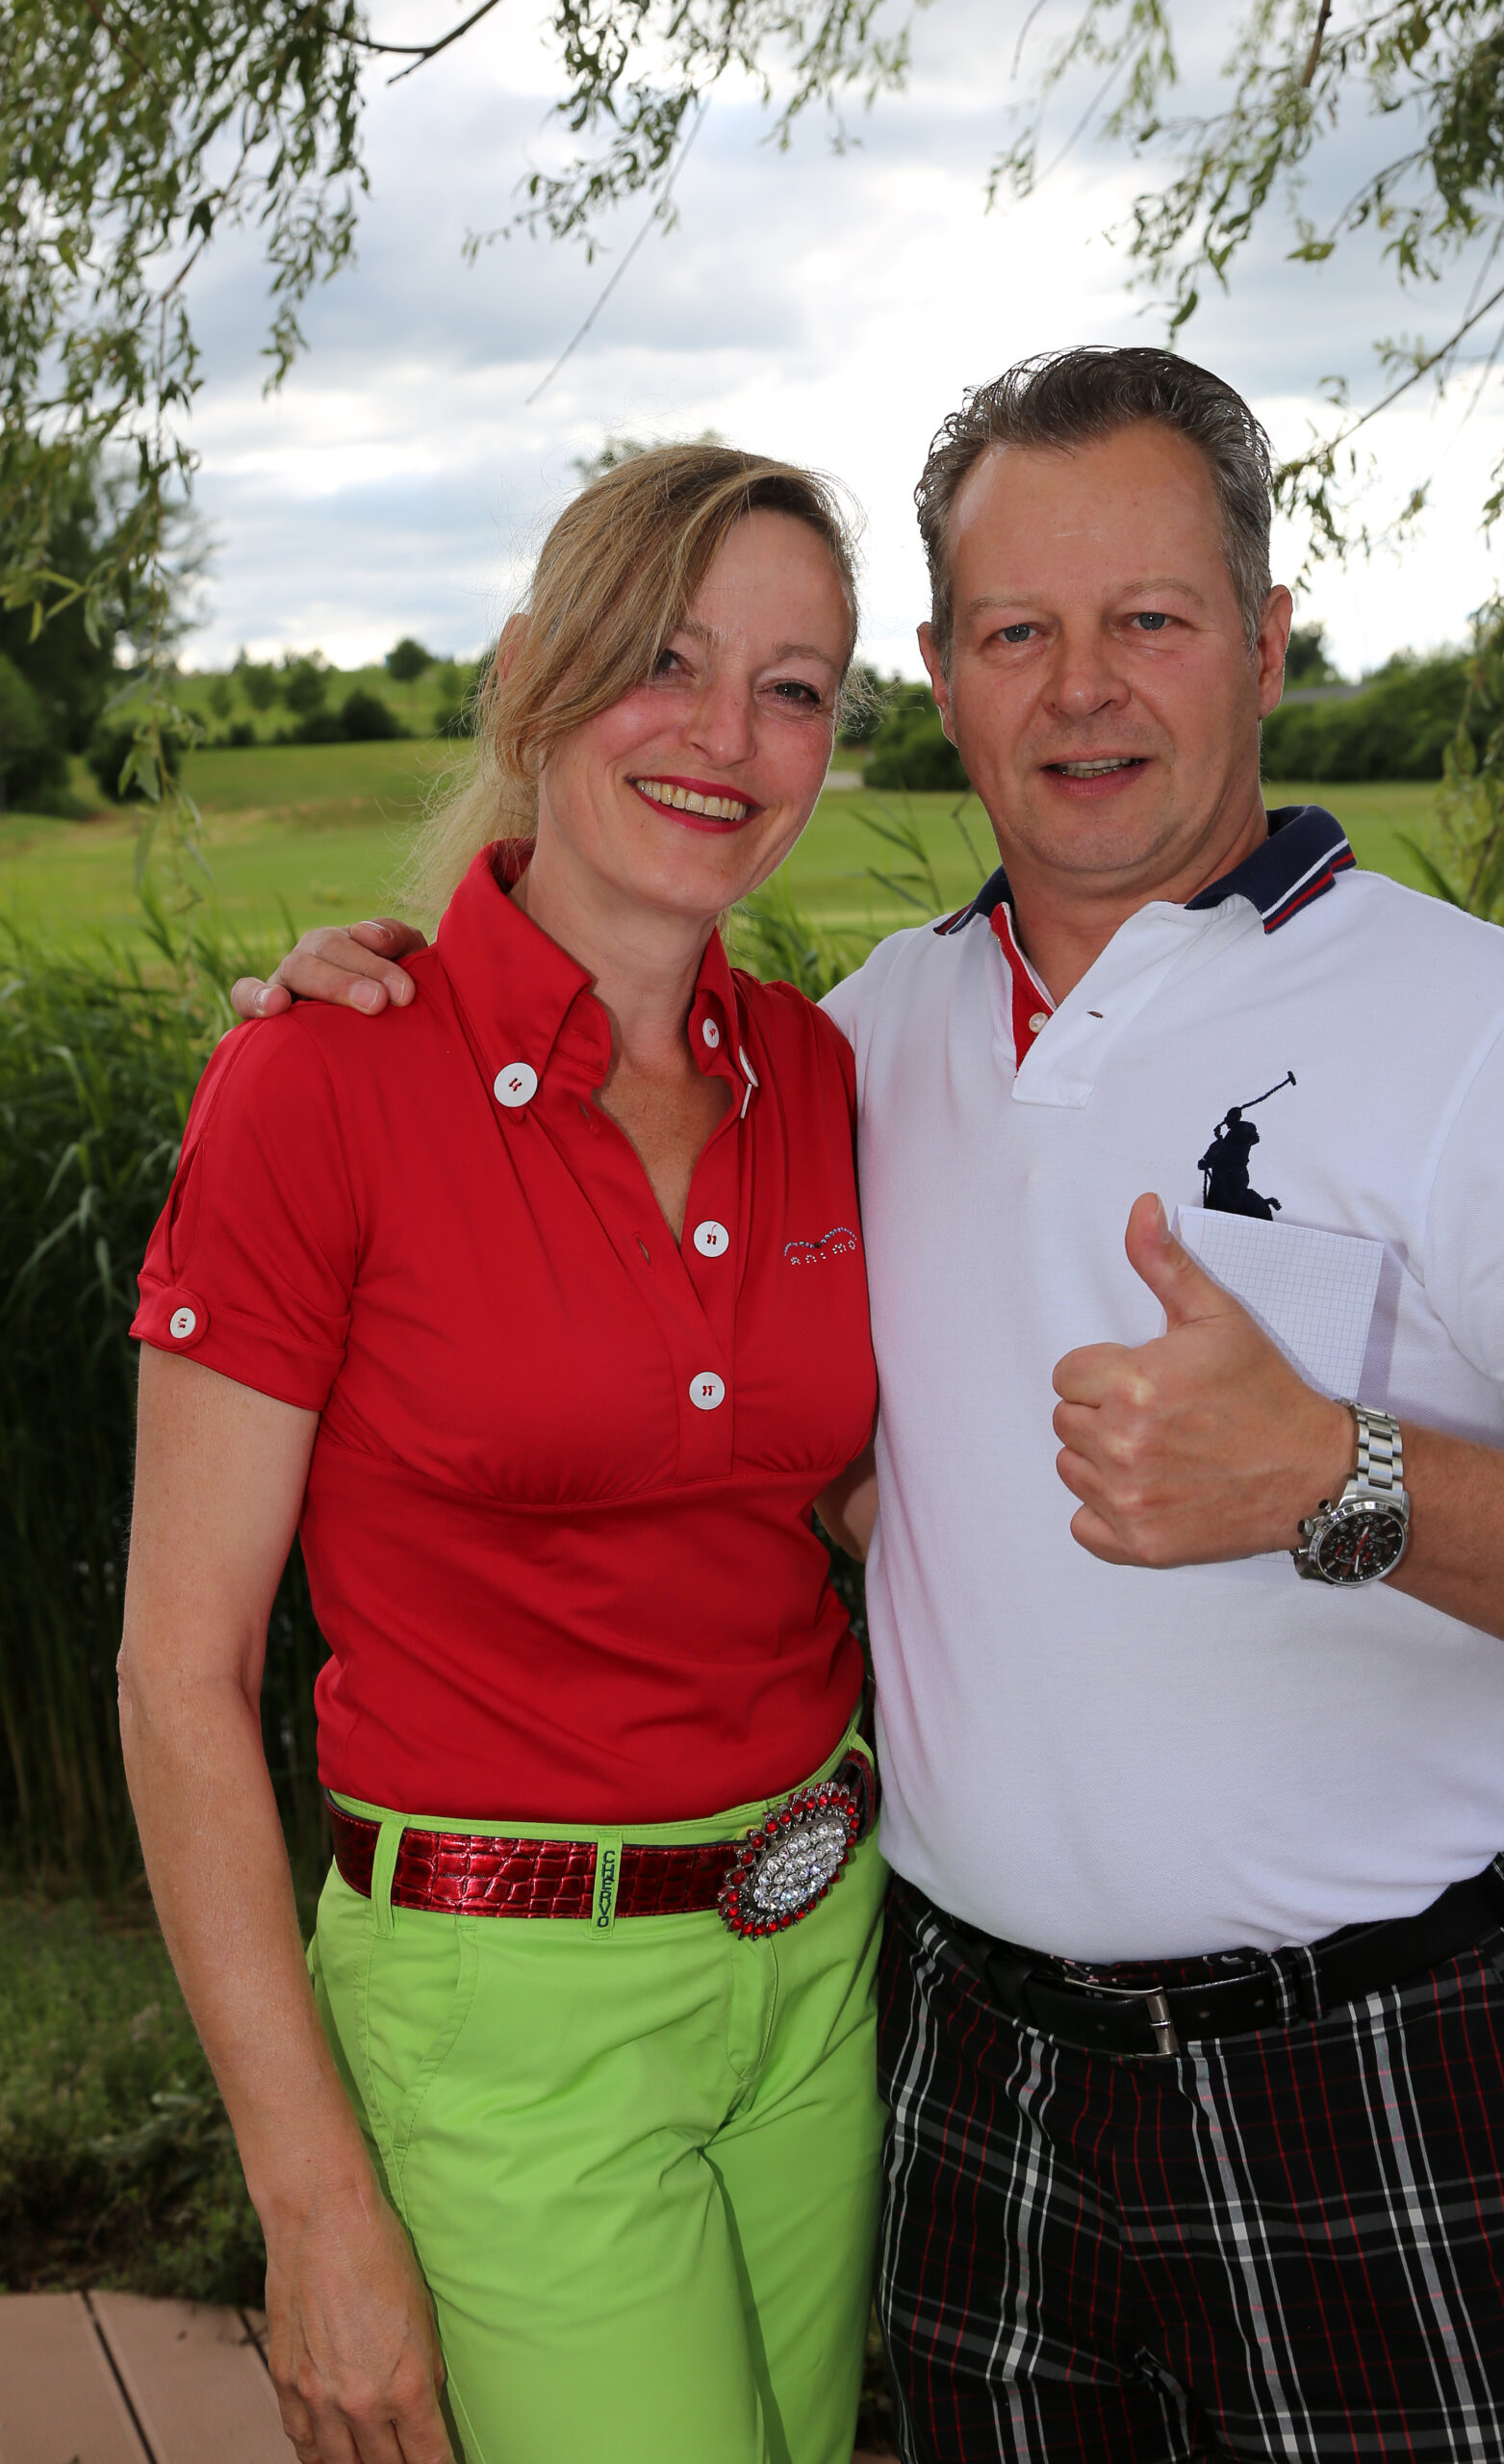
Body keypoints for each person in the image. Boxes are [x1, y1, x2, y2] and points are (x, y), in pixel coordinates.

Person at [240, 348, 1504, 2464]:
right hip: (954, 2062)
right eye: (1017, 631)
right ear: (938, 675)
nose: (1080, 688)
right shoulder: (849, 1046)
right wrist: (368, 1008)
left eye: (1150, 619)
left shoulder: (1490, 1035)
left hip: (1370, 2061)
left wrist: (1337, 1475)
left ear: (1265, 642)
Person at [120, 444, 887, 2464]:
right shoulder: (317, 1082)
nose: (725, 737)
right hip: (505, 2012)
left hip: (821, 1957)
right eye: (666, 660)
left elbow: (828, 1482)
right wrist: (314, 2204)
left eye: (792, 688)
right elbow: (177, 1679)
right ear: (533, 673)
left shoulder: (813, 1070)